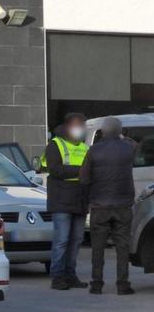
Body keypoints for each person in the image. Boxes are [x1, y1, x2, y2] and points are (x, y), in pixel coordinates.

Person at [80, 117, 137, 295]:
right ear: (119, 132)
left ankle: (96, 284)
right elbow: (135, 144)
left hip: (99, 206)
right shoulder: (128, 148)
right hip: (123, 206)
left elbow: (84, 178)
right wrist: (121, 137)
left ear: (103, 132)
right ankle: (123, 285)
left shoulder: (93, 151)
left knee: (97, 247)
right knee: (122, 246)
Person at [43, 113, 90, 291]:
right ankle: (57, 276)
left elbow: (91, 171)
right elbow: (55, 170)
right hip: (61, 200)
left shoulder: (85, 148)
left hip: (80, 199)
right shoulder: (55, 145)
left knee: (76, 240)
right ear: (68, 126)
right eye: (78, 125)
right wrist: (81, 171)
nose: (81, 128)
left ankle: (70, 275)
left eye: (82, 125)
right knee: (62, 240)